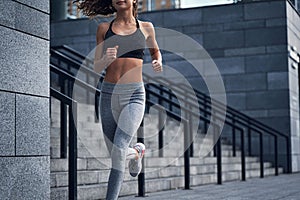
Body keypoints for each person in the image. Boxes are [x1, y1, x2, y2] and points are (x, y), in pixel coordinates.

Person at [77, 0, 163, 199]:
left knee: (118, 151)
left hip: (135, 94)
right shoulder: (104, 29)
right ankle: (137, 152)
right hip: (108, 95)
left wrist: (157, 60)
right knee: (116, 152)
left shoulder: (146, 28)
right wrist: (105, 59)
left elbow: (155, 51)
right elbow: (97, 67)